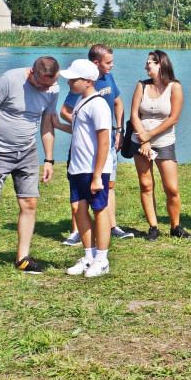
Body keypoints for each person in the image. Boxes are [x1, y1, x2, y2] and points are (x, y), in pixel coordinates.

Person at [0, 56, 59, 280]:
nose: (46, 89)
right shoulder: (9, 80)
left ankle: (23, 258)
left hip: (27, 152)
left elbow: (47, 123)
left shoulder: (52, 87)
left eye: (51, 85)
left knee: (29, 203)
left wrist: (48, 159)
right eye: (43, 84)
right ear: (32, 72)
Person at [56, 44, 130, 244]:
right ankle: (77, 231)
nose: (112, 65)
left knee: (107, 186)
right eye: (108, 62)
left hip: (107, 141)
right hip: (90, 147)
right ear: (95, 64)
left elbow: (118, 102)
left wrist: (119, 130)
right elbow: (65, 111)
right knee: (81, 195)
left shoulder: (105, 80)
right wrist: (82, 127)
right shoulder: (81, 88)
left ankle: (111, 227)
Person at [59, 59, 114, 278]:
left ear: (88, 81)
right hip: (78, 168)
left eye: (74, 79)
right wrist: (56, 123)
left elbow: (104, 141)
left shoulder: (98, 104)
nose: (69, 83)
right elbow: (80, 133)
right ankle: (89, 256)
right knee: (78, 209)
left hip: (94, 170)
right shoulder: (82, 102)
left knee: (100, 210)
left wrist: (98, 175)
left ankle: (102, 259)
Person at [131, 50, 186, 241]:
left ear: (161, 64)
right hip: (139, 142)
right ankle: (153, 227)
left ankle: (175, 226)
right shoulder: (142, 86)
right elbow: (134, 115)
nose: (146, 66)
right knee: (146, 184)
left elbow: (174, 118)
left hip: (164, 141)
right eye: (146, 63)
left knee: (171, 188)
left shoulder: (174, 87)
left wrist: (150, 136)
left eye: (150, 63)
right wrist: (144, 140)